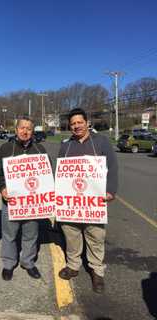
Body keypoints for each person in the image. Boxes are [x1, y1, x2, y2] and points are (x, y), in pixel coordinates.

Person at [58, 108, 118, 294]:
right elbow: (59, 173)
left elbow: (112, 167)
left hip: (93, 201)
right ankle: (73, 265)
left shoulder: (101, 142)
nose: (76, 126)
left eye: (79, 122)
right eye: (73, 123)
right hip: (71, 201)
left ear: (87, 122)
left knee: (95, 236)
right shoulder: (66, 145)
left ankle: (97, 271)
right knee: (71, 233)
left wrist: (110, 190)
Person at [0, 117, 47, 281]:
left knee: (31, 234)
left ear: (32, 131)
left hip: (33, 203)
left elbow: (47, 173)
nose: (25, 131)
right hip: (11, 201)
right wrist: (2, 188)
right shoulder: (6, 149)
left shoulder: (40, 149)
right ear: (16, 130)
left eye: (29, 129)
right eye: (22, 128)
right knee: (9, 234)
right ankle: (9, 264)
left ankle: (28, 263)